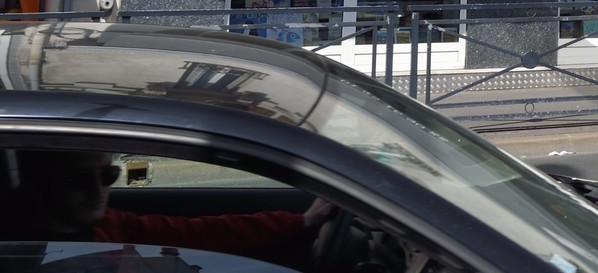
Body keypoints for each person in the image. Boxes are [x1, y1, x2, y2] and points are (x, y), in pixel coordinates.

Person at [0, 148, 370, 270]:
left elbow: (195, 232)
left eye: (109, 174)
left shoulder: (109, 224)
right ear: (39, 182)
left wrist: (301, 221)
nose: (99, 191)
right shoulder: (19, 253)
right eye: (78, 181)